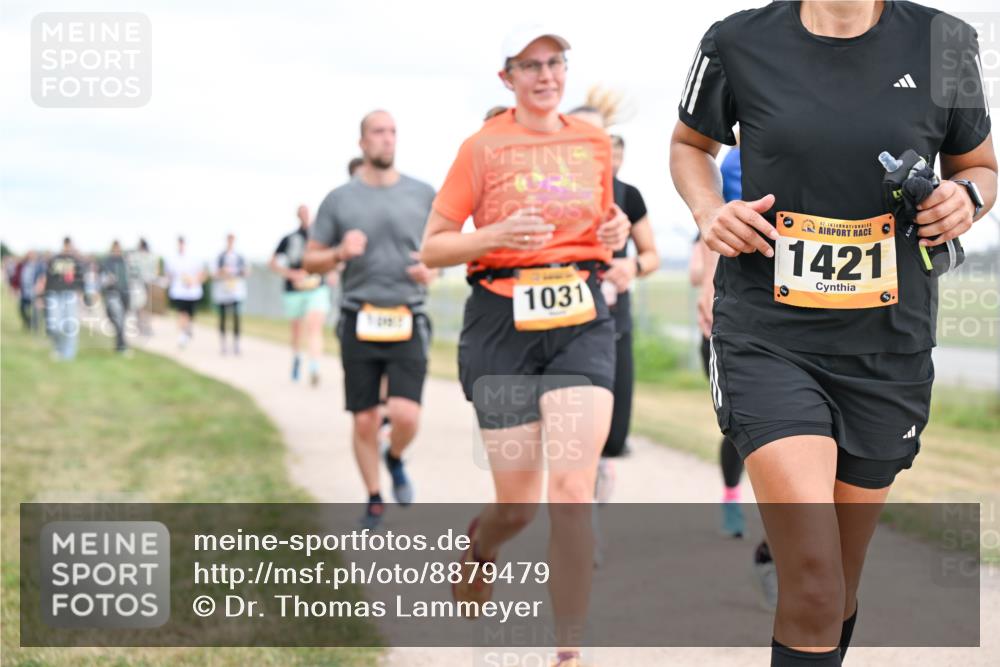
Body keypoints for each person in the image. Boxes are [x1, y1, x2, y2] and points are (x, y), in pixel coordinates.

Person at [670, 1, 995, 664]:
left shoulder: (946, 43)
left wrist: (967, 199)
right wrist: (710, 210)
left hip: (888, 348)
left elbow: (979, 165)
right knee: (814, 577)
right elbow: (690, 145)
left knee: (838, 585)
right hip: (768, 336)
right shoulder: (738, 41)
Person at [420, 26, 630, 667]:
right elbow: (433, 247)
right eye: (530, 65)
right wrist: (498, 233)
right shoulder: (482, 148)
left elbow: (600, 226)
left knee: (571, 489)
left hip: (580, 320)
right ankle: (482, 545)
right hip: (501, 326)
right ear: (506, 77)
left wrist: (614, 227)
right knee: (519, 502)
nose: (546, 75)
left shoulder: (592, 143)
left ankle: (567, 651)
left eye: (555, 62)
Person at [305, 110, 437, 529]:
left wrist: (432, 270)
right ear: (362, 143)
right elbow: (310, 260)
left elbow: (443, 249)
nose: (387, 139)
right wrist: (340, 252)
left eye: (393, 132)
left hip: (408, 315)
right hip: (358, 316)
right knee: (364, 417)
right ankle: (375, 498)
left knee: (405, 414)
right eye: (378, 132)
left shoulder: (423, 194)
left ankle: (395, 456)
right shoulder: (339, 200)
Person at [569, 101, 660, 504]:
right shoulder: (548, 190)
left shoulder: (627, 195)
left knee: (614, 430)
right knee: (571, 433)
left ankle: (600, 468)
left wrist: (633, 266)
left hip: (612, 321)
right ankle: (581, 518)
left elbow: (652, 255)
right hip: (563, 322)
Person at [270, 205, 330, 386]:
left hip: (316, 288)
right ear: (298, 216)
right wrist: (291, 274)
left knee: (314, 327)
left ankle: (314, 367)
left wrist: (330, 271)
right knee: (297, 331)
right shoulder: (288, 239)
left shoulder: (321, 239)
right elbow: (272, 263)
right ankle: (297, 357)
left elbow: (331, 259)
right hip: (294, 290)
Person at [38, 237, 85, 361]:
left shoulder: (76, 261)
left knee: (70, 326)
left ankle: (69, 354)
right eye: (67, 246)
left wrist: (82, 295)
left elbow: (81, 280)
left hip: (70, 295)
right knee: (54, 325)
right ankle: (58, 348)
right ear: (64, 245)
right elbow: (47, 279)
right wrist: (42, 297)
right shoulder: (55, 260)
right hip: (54, 295)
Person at [164, 236, 206, 348]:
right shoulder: (172, 259)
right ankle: (183, 335)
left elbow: (202, 274)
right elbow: (169, 275)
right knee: (181, 313)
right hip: (179, 292)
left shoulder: (195, 258)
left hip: (192, 292)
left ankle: (187, 330)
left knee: (190, 315)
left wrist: (193, 281)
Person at [213, 233, 249, 355]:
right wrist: (222, 272)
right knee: (223, 317)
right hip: (223, 290)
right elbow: (214, 273)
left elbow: (247, 271)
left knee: (236, 317)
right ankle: (223, 343)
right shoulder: (221, 257)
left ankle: (236, 343)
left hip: (236, 290)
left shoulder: (239, 256)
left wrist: (241, 272)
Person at [100, 240, 131, 354]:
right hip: (112, 294)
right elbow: (102, 280)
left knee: (121, 321)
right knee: (116, 319)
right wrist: (109, 279)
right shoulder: (107, 262)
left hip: (124, 294)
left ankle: (121, 345)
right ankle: (121, 345)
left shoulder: (124, 261)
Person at [127, 238, 159, 336]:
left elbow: (130, 268)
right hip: (147, 284)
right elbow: (156, 271)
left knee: (141, 307)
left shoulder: (135, 256)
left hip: (140, 284)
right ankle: (144, 327)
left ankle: (142, 327)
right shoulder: (151, 257)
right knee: (144, 307)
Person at [16, 250, 44, 332]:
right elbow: (19, 277)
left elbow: (42, 277)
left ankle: (35, 328)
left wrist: (39, 288)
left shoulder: (39, 266)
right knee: (22, 309)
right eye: (30, 255)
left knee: (36, 311)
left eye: (33, 255)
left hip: (35, 291)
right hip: (25, 291)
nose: (31, 256)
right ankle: (27, 322)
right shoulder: (24, 265)